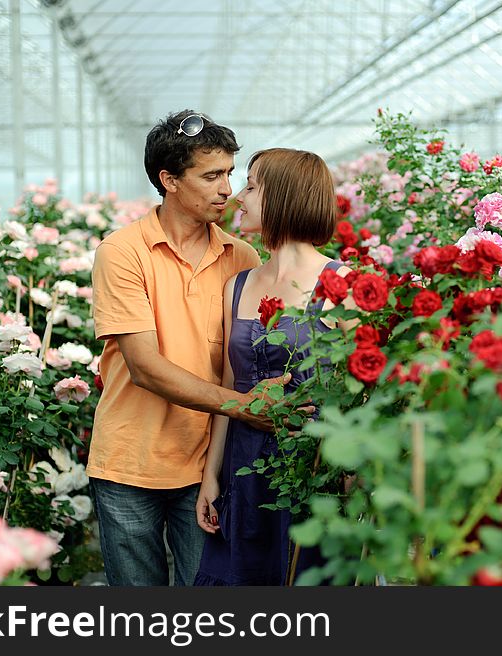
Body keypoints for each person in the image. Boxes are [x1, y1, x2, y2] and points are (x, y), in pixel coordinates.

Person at [88, 111, 298, 586]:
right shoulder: (123, 252)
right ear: (169, 181)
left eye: (230, 174)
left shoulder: (241, 257)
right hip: (130, 461)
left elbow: (242, 360)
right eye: (211, 176)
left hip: (208, 464)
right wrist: (246, 408)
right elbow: (145, 368)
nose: (227, 189)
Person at [193, 148, 356, 586]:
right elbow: (230, 386)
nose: (237, 197)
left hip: (311, 469)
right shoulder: (238, 285)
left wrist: (349, 482)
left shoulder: (341, 286)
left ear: (282, 197)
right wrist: (211, 477)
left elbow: (356, 396)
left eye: (251, 186)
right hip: (243, 470)